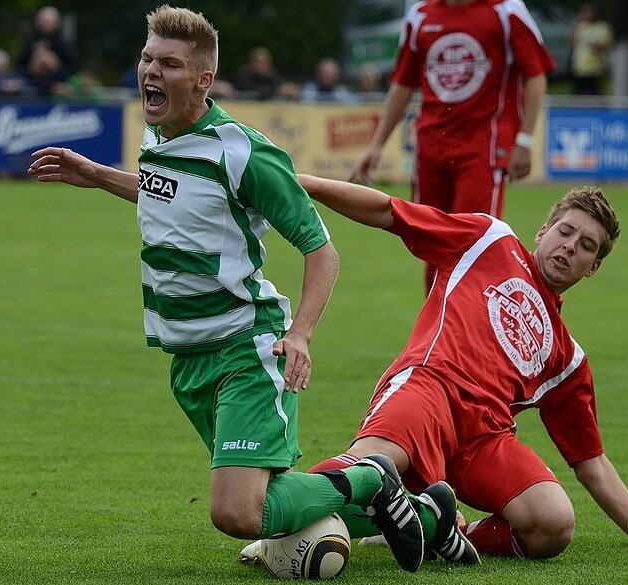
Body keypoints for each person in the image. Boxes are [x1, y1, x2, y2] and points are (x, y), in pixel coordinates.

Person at [28, 5, 426, 574]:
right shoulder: (158, 134)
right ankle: (428, 518)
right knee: (267, 499)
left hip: (245, 346)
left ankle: (371, 476)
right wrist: (94, 174)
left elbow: (321, 249)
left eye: (168, 63)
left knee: (237, 512)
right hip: (187, 354)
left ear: (203, 79)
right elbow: (165, 193)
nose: (150, 72)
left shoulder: (244, 152)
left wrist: (302, 334)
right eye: (146, 59)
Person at [290, 175, 628, 560]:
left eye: (587, 245)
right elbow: (388, 211)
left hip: (484, 437)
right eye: (565, 231)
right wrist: (301, 180)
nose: (571, 246)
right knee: (373, 465)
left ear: (593, 267)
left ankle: (439, 528)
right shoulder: (489, 239)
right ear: (543, 231)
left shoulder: (568, 358)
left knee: (553, 523)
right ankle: (277, 520)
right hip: (429, 387)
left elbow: (591, 462)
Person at [350, 0, 555, 291]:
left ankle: (470, 332)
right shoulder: (421, 16)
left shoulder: (507, 11)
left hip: (482, 149)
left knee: (474, 246)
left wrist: (524, 139)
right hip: (431, 149)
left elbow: (535, 75)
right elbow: (403, 84)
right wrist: (376, 144)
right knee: (432, 248)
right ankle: (437, 333)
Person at [16, 5, 76, 96]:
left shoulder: (63, 44)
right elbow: (20, 67)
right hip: (30, 87)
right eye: (44, 20)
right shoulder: (29, 41)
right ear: (37, 21)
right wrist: (35, 65)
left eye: (49, 21)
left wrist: (55, 66)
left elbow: (70, 68)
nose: (46, 23)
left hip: (59, 88)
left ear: (57, 22)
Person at [569, 4, 613, 96]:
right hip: (579, 67)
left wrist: (594, 44)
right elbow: (571, 42)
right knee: (578, 93)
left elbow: (607, 46)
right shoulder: (580, 26)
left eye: (589, 12)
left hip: (595, 68)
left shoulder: (602, 27)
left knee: (594, 94)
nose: (587, 15)